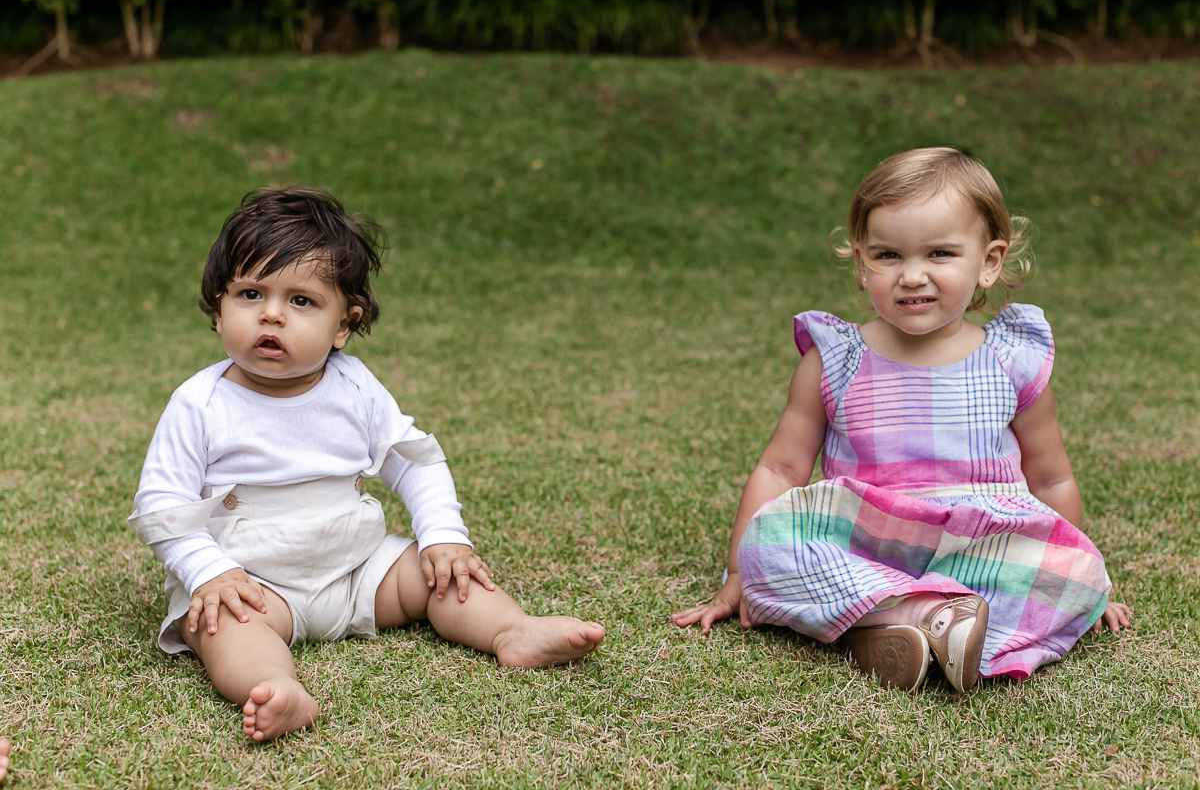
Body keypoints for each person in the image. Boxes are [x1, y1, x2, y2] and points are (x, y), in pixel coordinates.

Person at [130, 188, 605, 741]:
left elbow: (412, 459)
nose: (271, 314)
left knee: (440, 578)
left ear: (343, 325)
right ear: (218, 310)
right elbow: (163, 504)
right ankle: (276, 687)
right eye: (250, 293)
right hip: (252, 583)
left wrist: (442, 535)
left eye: (301, 301)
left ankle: (512, 630)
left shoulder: (354, 386)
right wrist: (210, 572)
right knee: (224, 627)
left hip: (359, 569)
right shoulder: (200, 403)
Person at [672, 147, 1130, 692]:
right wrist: (738, 573)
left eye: (940, 253)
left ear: (989, 261)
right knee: (771, 548)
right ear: (861, 262)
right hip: (861, 542)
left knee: (1074, 574)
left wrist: (1080, 573)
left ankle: (889, 624)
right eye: (888, 255)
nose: (912, 276)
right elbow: (780, 469)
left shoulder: (1011, 360)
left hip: (979, 545)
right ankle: (924, 618)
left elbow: (1051, 479)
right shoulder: (836, 358)